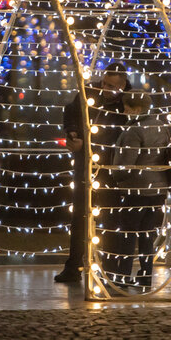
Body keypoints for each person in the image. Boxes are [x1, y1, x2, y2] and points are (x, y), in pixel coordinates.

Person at [54, 63, 130, 283]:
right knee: (79, 216)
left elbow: (117, 137)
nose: (105, 88)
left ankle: (110, 269)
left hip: (110, 169)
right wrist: (72, 133)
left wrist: (85, 145)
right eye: (105, 83)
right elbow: (69, 111)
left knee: (109, 219)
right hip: (83, 167)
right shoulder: (88, 93)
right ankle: (74, 265)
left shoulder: (128, 103)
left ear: (123, 85)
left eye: (112, 86)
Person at [109, 92, 170, 288]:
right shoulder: (161, 126)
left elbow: (128, 163)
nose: (124, 110)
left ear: (136, 109)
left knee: (128, 234)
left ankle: (122, 276)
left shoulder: (134, 130)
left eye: (127, 107)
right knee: (147, 234)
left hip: (136, 189)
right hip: (159, 188)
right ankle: (145, 276)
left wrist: (115, 177)